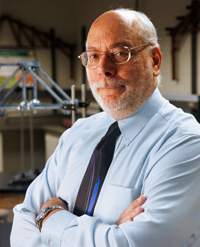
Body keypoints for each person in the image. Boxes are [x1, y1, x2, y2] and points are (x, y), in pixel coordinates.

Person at [10, 8, 200, 247]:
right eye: (93, 56)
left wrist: (50, 217)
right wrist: (110, 233)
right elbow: (24, 220)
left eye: (121, 53)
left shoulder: (186, 144)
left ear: (154, 60)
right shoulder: (77, 134)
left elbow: (135, 244)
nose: (104, 69)